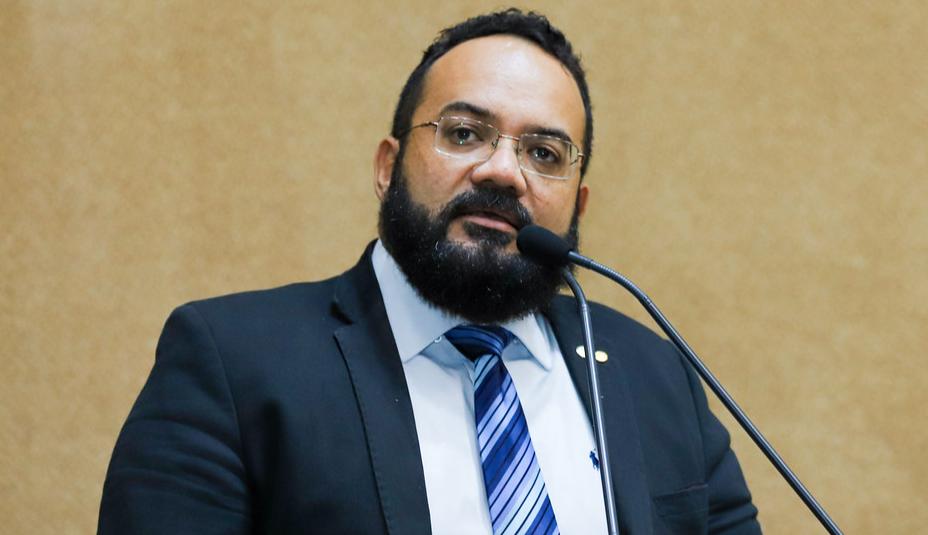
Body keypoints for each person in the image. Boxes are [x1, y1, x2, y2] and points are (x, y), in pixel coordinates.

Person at [99, 9, 760, 535]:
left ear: (577, 205)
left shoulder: (657, 378)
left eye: (543, 152)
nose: (503, 171)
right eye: (464, 133)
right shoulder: (233, 363)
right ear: (387, 167)